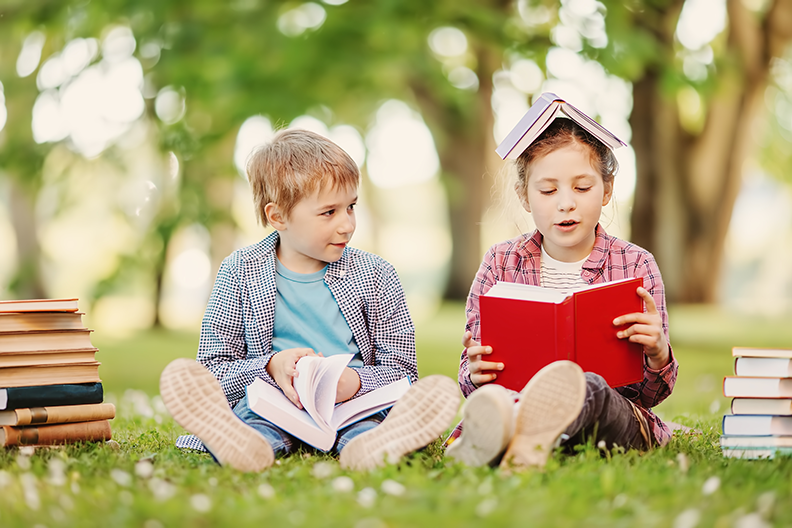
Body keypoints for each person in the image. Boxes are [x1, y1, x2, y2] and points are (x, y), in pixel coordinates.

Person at [159, 129, 459, 472]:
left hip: (352, 406)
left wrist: (356, 382)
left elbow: (402, 371)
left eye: (351, 207)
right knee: (254, 422)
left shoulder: (377, 275)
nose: (347, 224)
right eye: (329, 212)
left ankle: (375, 446)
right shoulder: (239, 271)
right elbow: (214, 369)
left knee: (367, 427)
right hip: (272, 405)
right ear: (278, 217)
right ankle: (243, 444)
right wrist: (270, 367)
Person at [445, 117, 678, 470]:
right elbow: (473, 372)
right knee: (497, 403)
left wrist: (658, 353)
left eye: (582, 188)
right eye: (548, 191)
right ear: (524, 195)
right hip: (514, 404)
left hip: (606, 413)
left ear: (607, 190)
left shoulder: (636, 265)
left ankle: (517, 442)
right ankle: (521, 437)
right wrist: (475, 372)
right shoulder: (499, 262)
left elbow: (651, 395)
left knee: (589, 388)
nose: (566, 203)